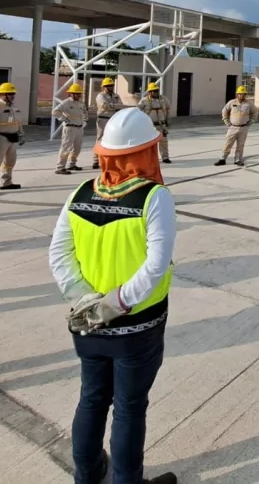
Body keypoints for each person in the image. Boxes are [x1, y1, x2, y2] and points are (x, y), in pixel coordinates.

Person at [48, 108, 179, 484]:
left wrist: (85, 300)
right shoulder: (154, 197)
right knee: (129, 408)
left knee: (91, 398)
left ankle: (87, 475)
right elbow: (155, 266)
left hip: (87, 324)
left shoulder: (80, 191)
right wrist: (116, 305)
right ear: (145, 153)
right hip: (136, 326)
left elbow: (59, 254)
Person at [216, 85, 257, 166]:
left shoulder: (249, 104)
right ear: (237, 94)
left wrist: (252, 120)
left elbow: (255, 112)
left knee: (240, 145)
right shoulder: (232, 102)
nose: (242, 95)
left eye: (244, 94)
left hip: (243, 127)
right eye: (240, 94)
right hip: (233, 127)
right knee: (228, 143)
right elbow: (224, 110)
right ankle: (223, 159)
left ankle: (238, 159)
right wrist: (225, 120)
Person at [54, 82, 88, 175]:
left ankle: (72, 164)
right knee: (65, 148)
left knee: (77, 148)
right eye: (76, 93)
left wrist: (85, 121)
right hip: (70, 128)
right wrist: (64, 118)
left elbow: (84, 113)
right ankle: (60, 167)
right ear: (71, 93)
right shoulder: (66, 103)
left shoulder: (81, 103)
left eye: (79, 93)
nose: (78, 95)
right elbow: (55, 112)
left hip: (79, 128)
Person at [137, 81, 171, 164]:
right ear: (149, 92)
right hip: (149, 126)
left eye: (157, 90)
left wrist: (167, 121)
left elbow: (168, 110)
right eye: (154, 91)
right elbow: (137, 111)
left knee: (164, 142)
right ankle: (149, 158)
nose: (156, 92)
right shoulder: (144, 101)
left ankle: (165, 157)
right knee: (149, 143)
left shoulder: (164, 99)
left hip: (161, 125)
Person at [93, 77, 123, 170]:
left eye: (111, 85)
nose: (110, 87)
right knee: (100, 139)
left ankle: (110, 159)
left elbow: (120, 105)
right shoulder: (100, 96)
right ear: (104, 87)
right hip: (103, 119)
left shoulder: (116, 96)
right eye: (108, 86)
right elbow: (104, 106)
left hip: (113, 119)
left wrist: (113, 106)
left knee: (113, 139)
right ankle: (96, 160)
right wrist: (115, 106)